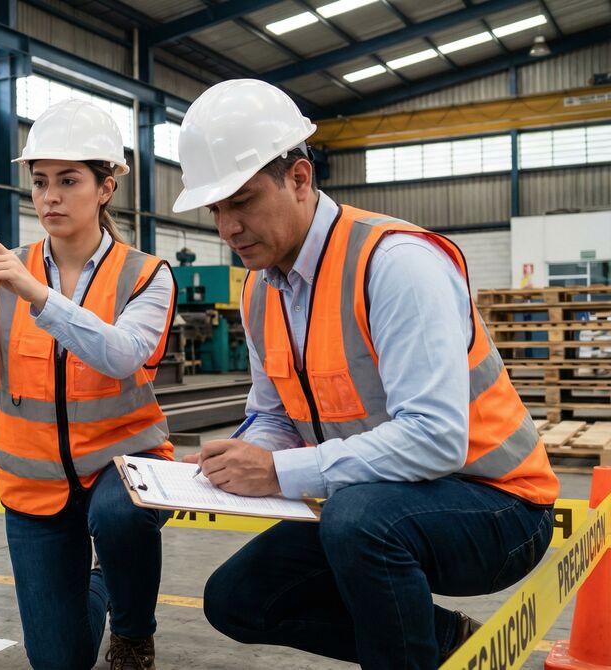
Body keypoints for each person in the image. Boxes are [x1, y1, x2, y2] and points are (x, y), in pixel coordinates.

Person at [172, 79, 559, 669]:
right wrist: (236, 460)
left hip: (500, 506)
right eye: (216, 209)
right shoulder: (259, 290)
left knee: (358, 522)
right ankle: (441, 642)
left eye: (242, 201)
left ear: (299, 178)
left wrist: (278, 470)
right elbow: (274, 414)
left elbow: (435, 437)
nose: (226, 228)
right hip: (377, 501)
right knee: (238, 600)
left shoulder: (396, 264)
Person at [0, 99, 177, 670]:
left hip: (124, 468)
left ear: (107, 187)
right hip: (35, 484)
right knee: (59, 661)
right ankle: (101, 583)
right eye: (39, 183)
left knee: (118, 517)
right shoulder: (1, 275)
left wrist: (39, 295)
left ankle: (134, 632)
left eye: (68, 181)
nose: (50, 196)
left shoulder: (146, 274)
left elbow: (121, 356)